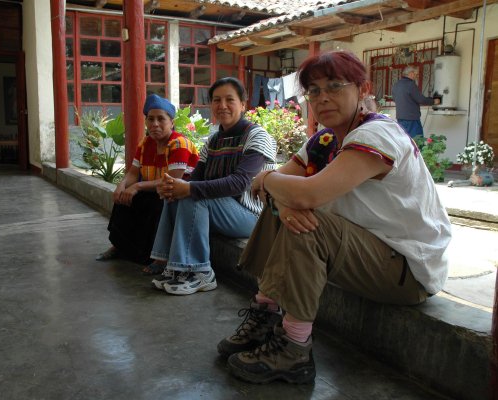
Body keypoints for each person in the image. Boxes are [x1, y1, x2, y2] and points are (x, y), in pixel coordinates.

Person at [217, 51, 451, 384]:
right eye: (313, 90)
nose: (323, 97)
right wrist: (282, 201)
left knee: (309, 223)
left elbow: (300, 192)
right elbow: (280, 190)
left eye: (335, 86)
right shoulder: (325, 140)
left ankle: (294, 349)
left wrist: (271, 182)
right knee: (285, 207)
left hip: (407, 270)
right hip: (367, 253)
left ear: (363, 89)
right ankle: (265, 313)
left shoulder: (378, 134)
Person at [149, 77, 277, 295]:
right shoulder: (214, 141)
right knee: (178, 193)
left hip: (252, 216)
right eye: (217, 100)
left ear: (243, 104)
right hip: (223, 212)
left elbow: (240, 183)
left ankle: (200, 272)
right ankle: (171, 265)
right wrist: (172, 186)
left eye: (230, 99)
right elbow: (196, 178)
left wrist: (187, 188)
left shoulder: (257, 136)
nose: (222, 105)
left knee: (192, 194)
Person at [96, 94, 199, 269]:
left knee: (158, 206)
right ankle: (119, 246)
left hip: (177, 194)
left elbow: (173, 181)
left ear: (171, 122)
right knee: (123, 199)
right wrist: (122, 185)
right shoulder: (146, 143)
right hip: (154, 190)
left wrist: (137, 186)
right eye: (150, 119)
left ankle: (158, 259)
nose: (155, 124)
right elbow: (133, 172)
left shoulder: (179, 143)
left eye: (161, 119)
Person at [391, 65, 440, 138]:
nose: (417, 76)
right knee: (417, 142)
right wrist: (434, 101)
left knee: (404, 142)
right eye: (416, 74)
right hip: (412, 120)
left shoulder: (396, 85)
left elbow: (394, 99)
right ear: (411, 73)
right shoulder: (410, 84)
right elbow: (421, 99)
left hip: (400, 118)